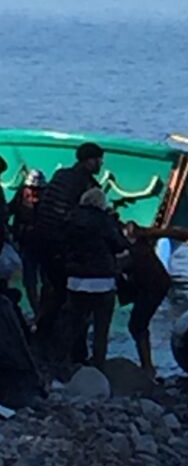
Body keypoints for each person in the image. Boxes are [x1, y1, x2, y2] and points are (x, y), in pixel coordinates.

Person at [33, 142, 104, 343]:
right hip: (62, 244)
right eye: (99, 160)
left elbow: (47, 205)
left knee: (50, 289)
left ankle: (41, 331)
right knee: (66, 296)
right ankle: (59, 342)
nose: (101, 165)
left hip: (41, 240)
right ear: (90, 161)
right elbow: (79, 220)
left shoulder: (60, 175)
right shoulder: (86, 184)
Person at [62, 188, 129, 367]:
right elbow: (119, 245)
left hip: (75, 280)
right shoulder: (104, 220)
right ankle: (99, 365)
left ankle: (75, 361)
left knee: (76, 324)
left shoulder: (70, 218)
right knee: (101, 328)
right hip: (103, 281)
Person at [121, 223, 177, 377]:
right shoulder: (143, 243)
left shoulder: (133, 249)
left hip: (150, 287)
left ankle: (148, 366)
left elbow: (122, 266)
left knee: (137, 326)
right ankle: (147, 365)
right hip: (155, 285)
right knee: (138, 325)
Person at [9, 170, 47, 317]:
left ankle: (44, 312)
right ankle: (38, 311)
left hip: (44, 244)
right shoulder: (22, 195)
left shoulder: (46, 198)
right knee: (30, 280)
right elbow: (10, 210)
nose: (34, 192)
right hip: (27, 244)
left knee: (46, 280)